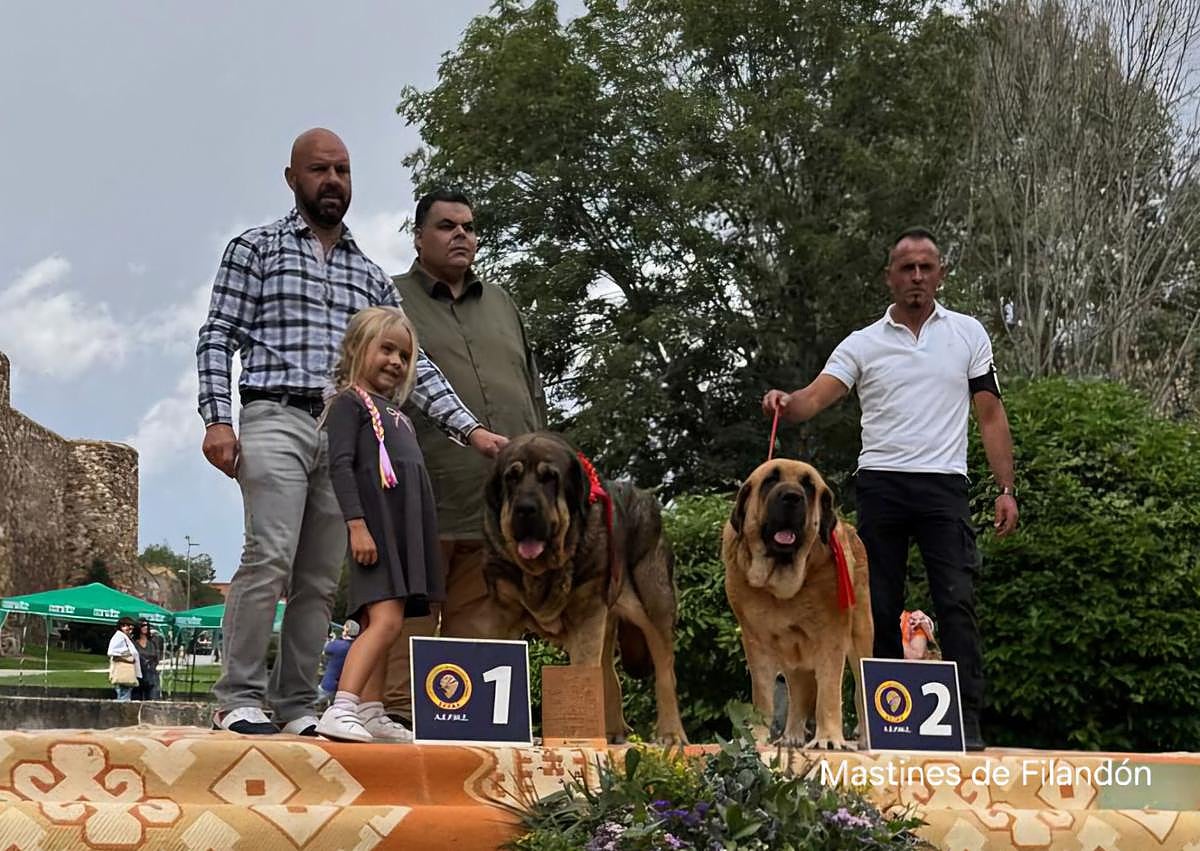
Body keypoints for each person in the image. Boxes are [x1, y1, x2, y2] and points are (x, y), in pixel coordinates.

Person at [196, 129, 507, 736]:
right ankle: (237, 695)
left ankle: (295, 704)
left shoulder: (369, 275)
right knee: (271, 554)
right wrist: (216, 417)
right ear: (293, 179)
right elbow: (218, 335)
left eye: (341, 170)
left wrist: (471, 432)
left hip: (353, 430)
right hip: (276, 413)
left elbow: (415, 365)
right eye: (319, 170)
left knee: (320, 574)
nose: (332, 180)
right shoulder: (255, 250)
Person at [761, 227, 1018, 751]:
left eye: (927, 267)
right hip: (881, 484)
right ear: (890, 277)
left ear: (941, 274)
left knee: (958, 603)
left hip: (946, 484)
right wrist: (786, 403)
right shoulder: (864, 342)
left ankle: (966, 726)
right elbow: (815, 397)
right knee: (872, 609)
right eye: (907, 268)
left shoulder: (969, 333)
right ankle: (880, 722)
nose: (917, 277)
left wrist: (1006, 487)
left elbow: (990, 414)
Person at [382, 188, 546, 726]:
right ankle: (397, 730)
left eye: (470, 227)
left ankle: (472, 743)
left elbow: (531, 389)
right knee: (409, 614)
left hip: (501, 506)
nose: (461, 235)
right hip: (420, 492)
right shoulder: (389, 299)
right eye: (447, 226)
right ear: (418, 236)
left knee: (485, 622)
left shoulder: (503, 302)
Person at [318, 306, 441, 742]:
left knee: (387, 625)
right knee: (384, 622)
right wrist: (357, 525)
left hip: (402, 533)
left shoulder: (398, 413)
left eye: (404, 355)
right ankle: (342, 705)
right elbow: (341, 466)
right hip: (376, 531)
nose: (396, 361)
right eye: (386, 349)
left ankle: (370, 710)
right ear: (357, 348)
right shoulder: (349, 404)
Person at [318, 620, 359, 702]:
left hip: (328, 685)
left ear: (347, 630)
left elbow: (326, 648)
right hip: (342, 688)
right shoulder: (355, 646)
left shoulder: (339, 645)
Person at [107, 617, 141, 702]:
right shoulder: (119, 636)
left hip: (126, 673)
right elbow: (113, 653)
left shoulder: (125, 637)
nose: (127, 628)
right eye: (124, 626)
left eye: (128, 626)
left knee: (124, 695)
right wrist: (128, 660)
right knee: (123, 697)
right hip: (123, 672)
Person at [132, 620, 162, 700]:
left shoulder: (152, 642)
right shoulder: (133, 643)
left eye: (146, 625)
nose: (145, 627)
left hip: (151, 674)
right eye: (143, 625)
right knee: (136, 699)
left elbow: (157, 657)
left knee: (153, 699)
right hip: (138, 674)